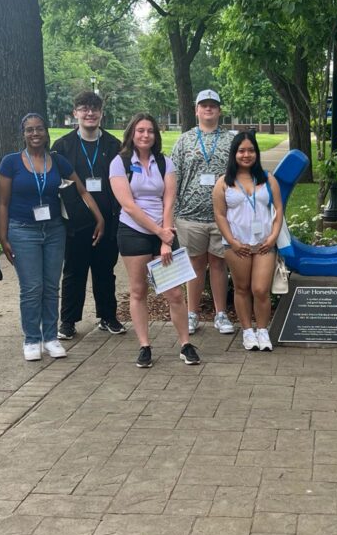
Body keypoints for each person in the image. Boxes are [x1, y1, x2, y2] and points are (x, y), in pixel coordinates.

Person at [0, 113, 104, 362]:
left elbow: (82, 191)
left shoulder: (57, 161)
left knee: (51, 286)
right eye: (29, 130)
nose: (35, 134)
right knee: (32, 288)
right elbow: (2, 203)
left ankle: (50, 337)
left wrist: (99, 217)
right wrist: (2, 236)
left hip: (54, 230)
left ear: (46, 132)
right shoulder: (10, 162)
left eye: (39, 129)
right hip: (23, 229)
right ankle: (31, 339)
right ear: (23, 134)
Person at [110, 113, 200, 368]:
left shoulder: (165, 162)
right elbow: (128, 206)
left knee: (174, 293)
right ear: (132, 133)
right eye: (140, 130)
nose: (145, 135)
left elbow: (169, 200)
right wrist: (158, 232)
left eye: (150, 131)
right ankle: (145, 346)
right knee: (139, 291)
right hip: (133, 232)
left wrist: (165, 238)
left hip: (164, 232)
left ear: (156, 135)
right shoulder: (120, 163)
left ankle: (185, 344)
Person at [52, 91, 125, 340]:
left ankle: (108, 316)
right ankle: (68, 321)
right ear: (75, 113)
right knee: (74, 271)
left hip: (108, 218)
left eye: (95, 109)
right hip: (75, 222)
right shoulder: (62, 146)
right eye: (84, 108)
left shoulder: (114, 146)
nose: (90, 113)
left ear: (101, 113)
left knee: (105, 270)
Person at [169, 90, 236, 335]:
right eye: (204, 105)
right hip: (189, 215)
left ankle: (221, 314)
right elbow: (173, 177)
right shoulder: (184, 141)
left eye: (213, 105)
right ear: (196, 110)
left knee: (219, 264)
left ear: (219, 110)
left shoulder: (231, 140)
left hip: (222, 216)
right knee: (195, 264)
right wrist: (171, 214)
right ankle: (192, 313)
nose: (208, 109)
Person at [213, 131, 284, 351]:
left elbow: (279, 209)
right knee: (242, 288)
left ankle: (262, 330)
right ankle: (247, 331)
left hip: (264, 244)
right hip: (237, 245)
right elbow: (220, 215)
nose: (246, 155)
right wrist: (232, 241)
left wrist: (272, 237)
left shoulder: (268, 179)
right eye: (241, 151)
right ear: (234, 154)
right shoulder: (224, 183)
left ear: (256, 153)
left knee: (261, 289)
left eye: (251, 150)